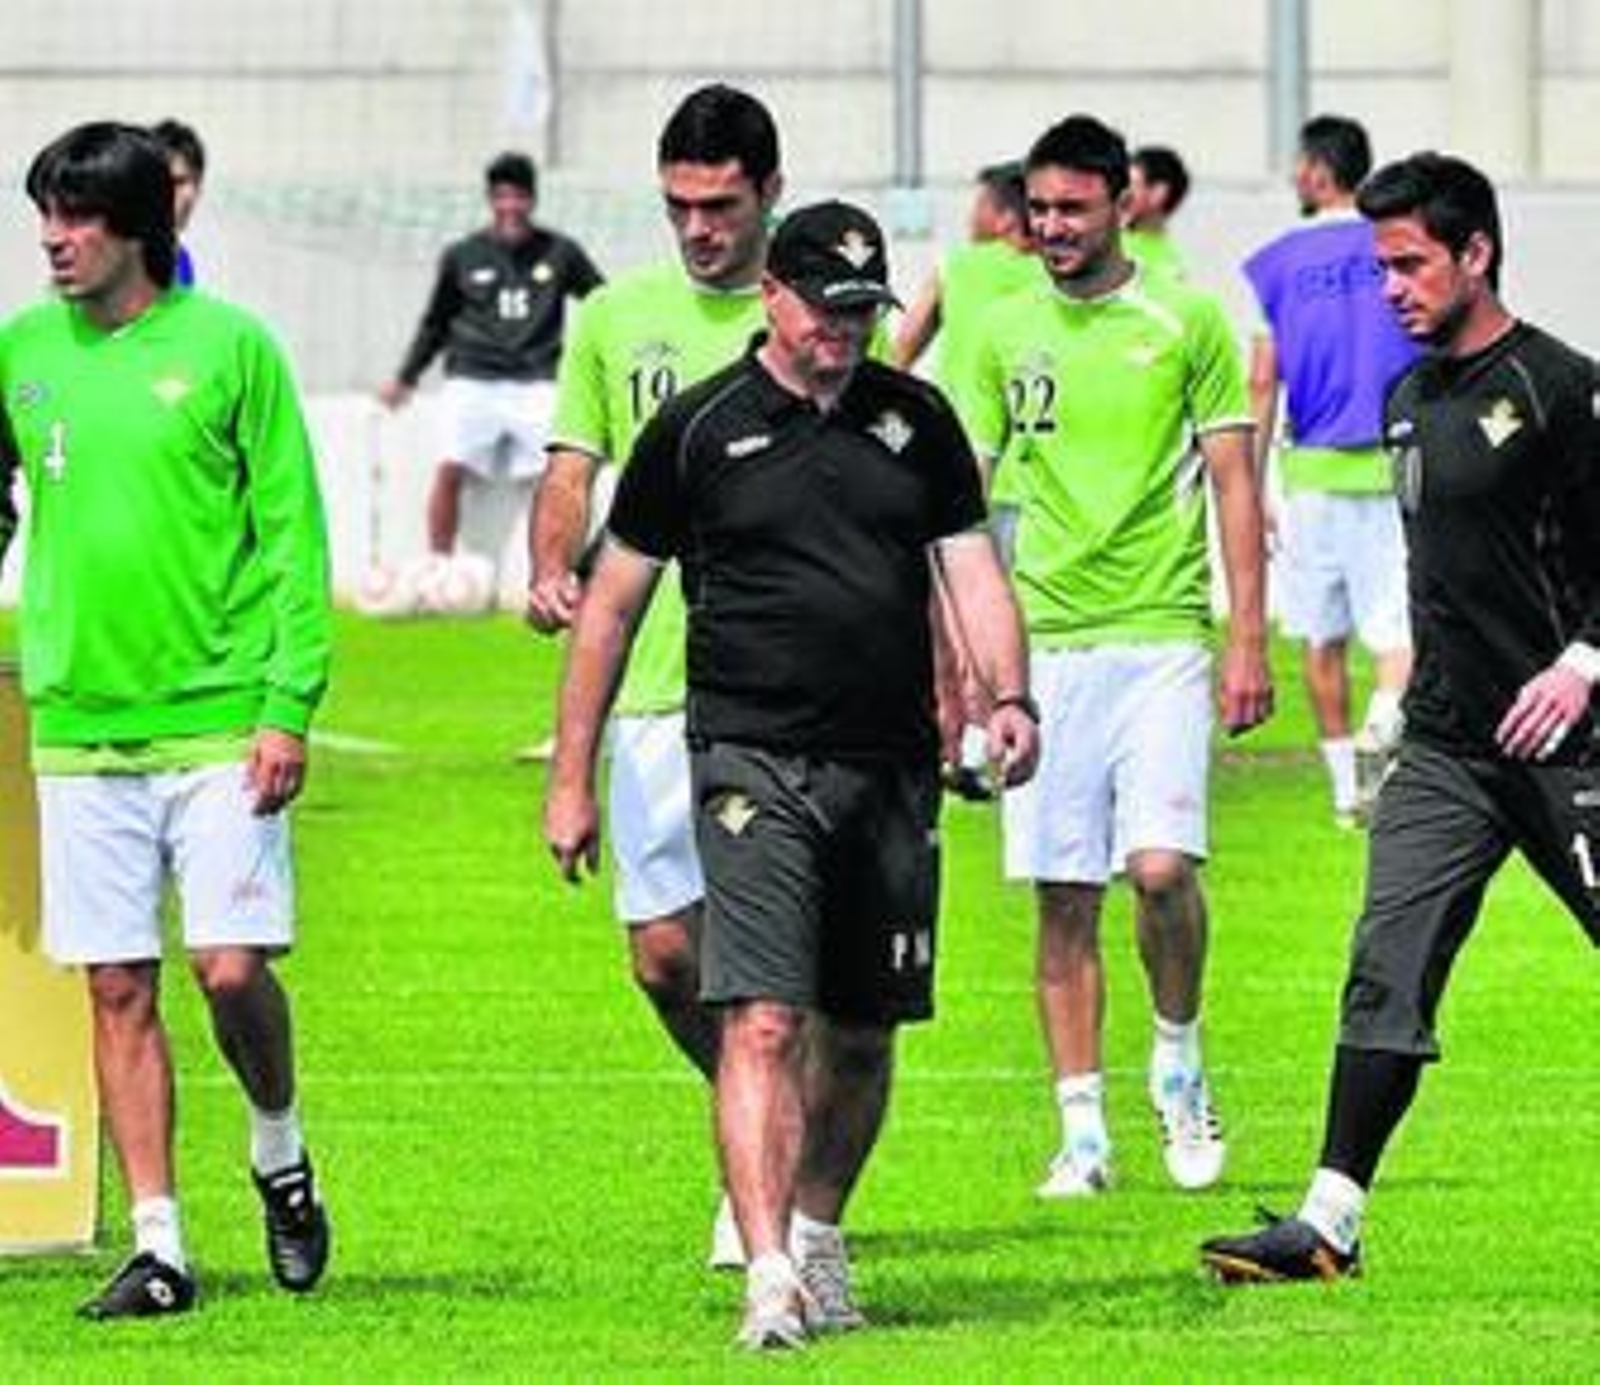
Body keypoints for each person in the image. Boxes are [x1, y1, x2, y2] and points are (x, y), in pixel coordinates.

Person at [544, 199, 1039, 1349]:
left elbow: (970, 574)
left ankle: (817, 1231)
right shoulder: (697, 429)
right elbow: (611, 608)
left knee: (863, 1031)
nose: (843, 331)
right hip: (747, 756)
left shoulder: (915, 423)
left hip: (891, 767)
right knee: (762, 1013)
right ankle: (765, 1269)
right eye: (824, 308)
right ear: (773, 295)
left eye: (862, 311)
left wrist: (1007, 697)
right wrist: (570, 775)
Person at [1202, 152, 1600, 1283]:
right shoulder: (1408, 401)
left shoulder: (1565, 389)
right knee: (1386, 965)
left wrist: (1580, 662)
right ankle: (1329, 1222)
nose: (1390, 287)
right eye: (1381, 266)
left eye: (1409, 263)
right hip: (1445, 750)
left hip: (1574, 743)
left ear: (1476, 252)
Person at [0, 122, 333, 1317]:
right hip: (80, 722)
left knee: (231, 969)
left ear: (143, 226)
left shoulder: (234, 349)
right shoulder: (21, 351)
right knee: (117, 987)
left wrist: (289, 702)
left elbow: (295, 537)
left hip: (222, 716)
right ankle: (160, 1244)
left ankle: (279, 1146)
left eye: (78, 216)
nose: (53, 237)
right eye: (45, 212)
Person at [962, 114, 1272, 1201]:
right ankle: (1081, 1132)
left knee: (1157, 868)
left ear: (1121, 203)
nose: (1049, 226)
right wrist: (968, 657)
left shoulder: (1184, 317)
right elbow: (962, 503)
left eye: (1071, 207)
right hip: (1044, 645)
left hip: (1159, 635)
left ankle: (1179, 1057)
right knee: (1060, 897)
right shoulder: (996, 329)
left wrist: (1244, 634)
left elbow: (1234, 482)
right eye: (1037, 207)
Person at [525, 83, 785, 1270]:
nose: (698, 228)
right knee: (666, 958)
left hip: (782, 688)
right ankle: (746, 1110)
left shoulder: (815, 318)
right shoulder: (615, 318)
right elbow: (575, 465)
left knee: (776, 973)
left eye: (720, 204)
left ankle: (766, 1180)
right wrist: (548, 558)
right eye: (679, 205)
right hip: (646, 684)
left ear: (767, 193)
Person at [1244, 115, 1418, 827]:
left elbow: (1262, 380)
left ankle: (1347, 792)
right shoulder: (1398, 249)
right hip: (1394, 467)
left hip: (1311, 474)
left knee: (1321, 640)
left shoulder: (1275, 263)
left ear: (1317, 172)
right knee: (1401, 638)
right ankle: (1384, 726)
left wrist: (1250, 489)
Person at [893, 160, 1042, 799]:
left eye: (979, 203)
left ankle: (974, 744)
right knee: (1022, 613)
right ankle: (1018, 730)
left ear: (1005, 213)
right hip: (1036, 476)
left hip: (960, 469)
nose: (971, 215)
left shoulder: (960, 268)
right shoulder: (1053, 280)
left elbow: (899, 352)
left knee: (960, 613)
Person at [379, 151, 602, 558]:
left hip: (538, 380)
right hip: (473, 378)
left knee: (560, 476)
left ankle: (557, 574)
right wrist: (406, 377)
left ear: (532, 200)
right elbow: (436, 322)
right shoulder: (462, 255)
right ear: (490, 200)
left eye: (519, 197)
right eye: (501, 197)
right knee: (449, 467)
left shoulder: (561, 251)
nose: (510, 207)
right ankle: (439, 568)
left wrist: (607, 366)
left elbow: (603, 304)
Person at [150, 117, 205, 286]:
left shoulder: (182, 260)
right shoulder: (122, 262)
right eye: (161, 183)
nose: (168, 194)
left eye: (178, 182)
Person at [1123, 144, 1189, 281]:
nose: (1122, 193)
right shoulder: (1101, 242)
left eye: (1130, 185)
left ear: (1158, 193)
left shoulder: (1172, 268)